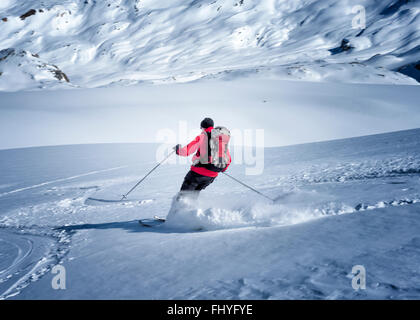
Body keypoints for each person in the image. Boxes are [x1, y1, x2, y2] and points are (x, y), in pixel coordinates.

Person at [173, 117, 231, 200]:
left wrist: (178, 150)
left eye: (201, 127)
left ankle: (178, 211)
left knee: (183, 198)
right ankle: (191, 211)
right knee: (192, 198)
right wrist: (220, 167)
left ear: (203, 127)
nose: (201, 129)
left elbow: (186, 151)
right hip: (211, 176)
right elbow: (228, 158)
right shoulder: (220, 139)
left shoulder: (203, 136)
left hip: (197, 173)